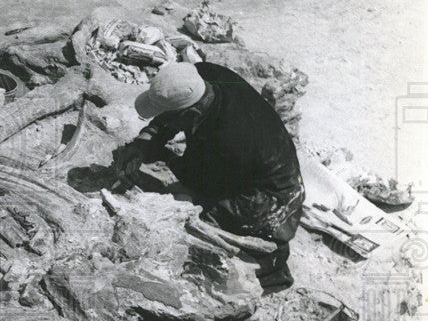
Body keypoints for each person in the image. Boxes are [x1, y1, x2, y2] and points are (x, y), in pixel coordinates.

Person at [119, 61, 305, 292]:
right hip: (251, 157)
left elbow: (198, 179)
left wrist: (173, 177)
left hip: (273, 194)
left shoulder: (232, 139)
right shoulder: (201, 74)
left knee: (200, 216)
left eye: (172, 117)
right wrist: (148, 139)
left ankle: (272, 270)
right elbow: (171, 116)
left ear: (192, 112)